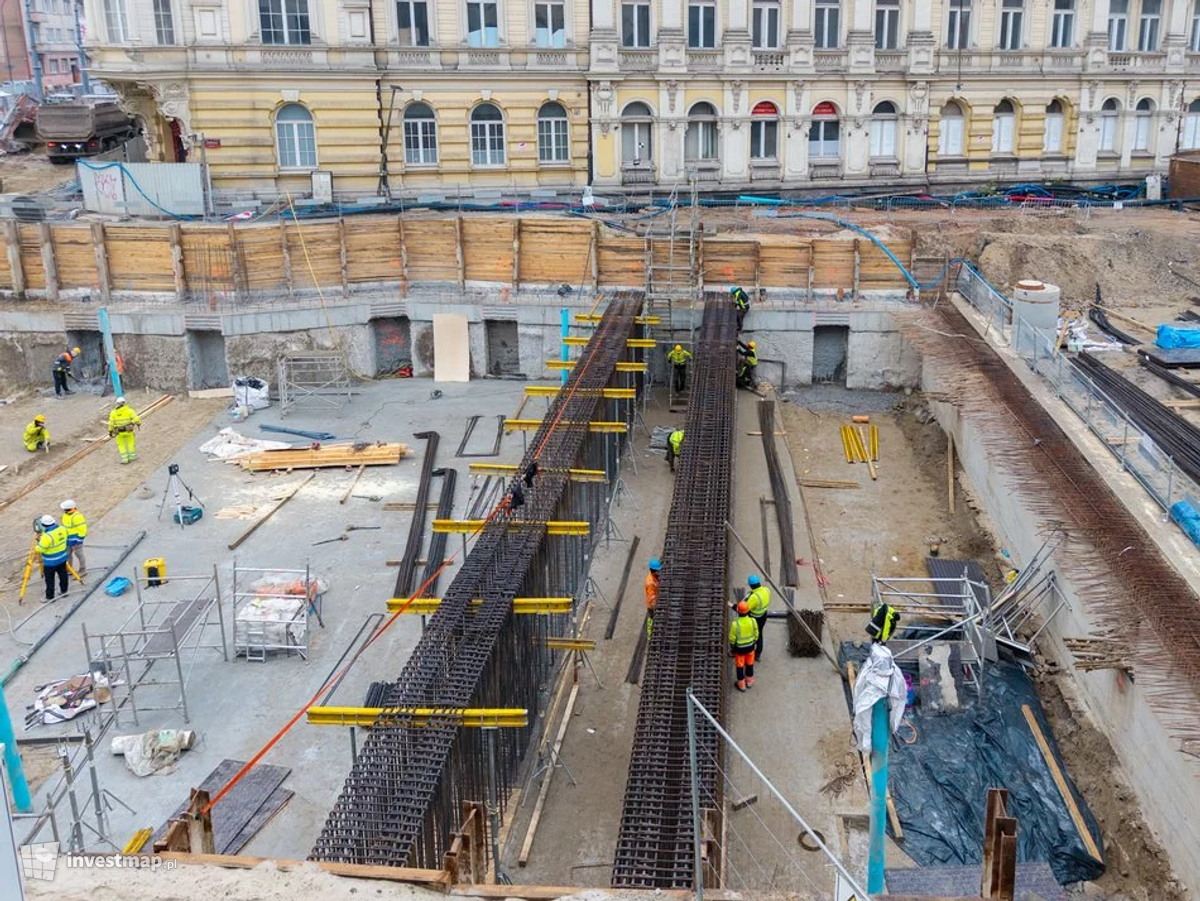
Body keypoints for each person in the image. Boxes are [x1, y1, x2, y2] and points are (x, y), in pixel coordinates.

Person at [35, 514, 70, 602]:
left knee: (50, 580)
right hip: (62, 558)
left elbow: (40, 549)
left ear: (43, 525)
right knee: (63, 575)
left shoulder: (47, 536)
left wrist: (39, 540)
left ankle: (50, 597)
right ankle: (64, 591)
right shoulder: (62, 529)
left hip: (50, 562)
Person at [729, 600, 760, 691]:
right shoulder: (753, 621)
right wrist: (753, 642)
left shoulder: (735, 624)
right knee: (750, 664)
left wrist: (732, 647)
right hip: (750, 648)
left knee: (740, 666)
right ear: (748, 611)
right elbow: (756, 634)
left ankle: (741, 685)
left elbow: (732, 638)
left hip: (740, 650)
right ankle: (749, 682)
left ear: (738, 611)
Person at [108, 396, 142, 464]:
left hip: (119, 432)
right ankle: (132, 457)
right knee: (130, 443)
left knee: (121, 445)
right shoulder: (130, 410)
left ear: (117, 403)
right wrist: (136, 424)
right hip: (129, 431)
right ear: (124, 403)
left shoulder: (113, 413)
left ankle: (125, 459)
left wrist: (110, 431)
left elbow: (111, 424)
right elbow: (137, 419)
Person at [745, 574, 770, 660]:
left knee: (750, 634)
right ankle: (758, 654)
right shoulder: (766, 590)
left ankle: (748, 652)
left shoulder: (754, 597)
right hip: (763, 616)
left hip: (754, 618)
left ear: (751, 586)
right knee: (759, 634)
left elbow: (745, 608)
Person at [60, 499, 88, 577]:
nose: (65, 511)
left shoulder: (77, 517)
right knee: (67, 553)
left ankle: (83, 570)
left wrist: (79, 539)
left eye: (67, 509)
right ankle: (69, 569)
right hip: (67, 539)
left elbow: (83, 529)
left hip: (76, 539)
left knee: (79, 554)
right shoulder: (65, 515)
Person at [645, 557, 661, 638]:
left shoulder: (653, 576)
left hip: (655, 599)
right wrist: (656, 607)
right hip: (652, 604)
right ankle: (650, 635)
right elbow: (652, 598)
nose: (659, 571)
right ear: (654, 571)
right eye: (658, 570)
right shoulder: (650, 583)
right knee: (651, 618)